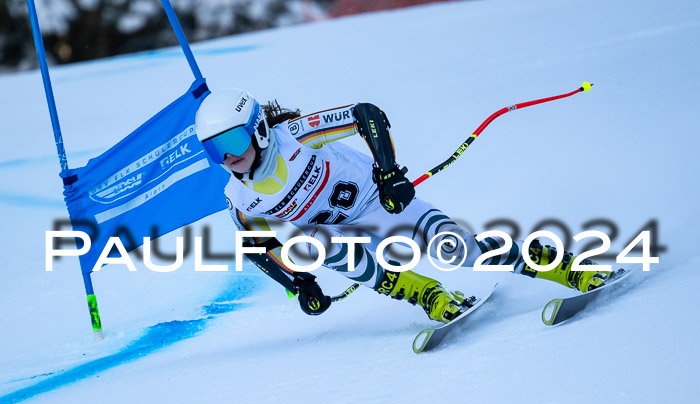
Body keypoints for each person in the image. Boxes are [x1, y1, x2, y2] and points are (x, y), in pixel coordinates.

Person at [194, 88, 611, 322]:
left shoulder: (294, 136)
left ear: (259, 131)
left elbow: (365, 113)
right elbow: (256, 246)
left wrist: (389, 173)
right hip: (338, 232)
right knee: (313, 245)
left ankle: (562, 267)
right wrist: (299, 284)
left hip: (379, 204)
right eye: (214, 151)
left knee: (459, 252)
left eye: (232, 142)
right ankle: (427, 295)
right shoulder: (239, 196)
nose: (227, 158)